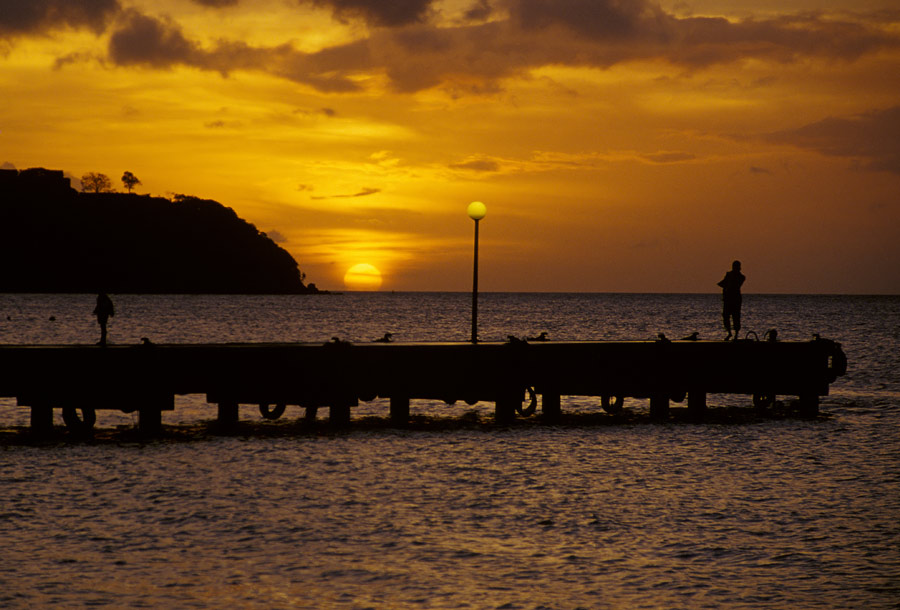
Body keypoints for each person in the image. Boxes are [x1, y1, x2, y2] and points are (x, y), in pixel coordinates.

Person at [717, 260, 745, 341]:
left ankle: (736, 334)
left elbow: (735, 284)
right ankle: (729, 333)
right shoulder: (729, 274)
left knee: (736, 317)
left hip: (735, 299)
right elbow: (723, 283)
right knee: (726, 316)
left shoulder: (741, 277)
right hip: (728, 299)